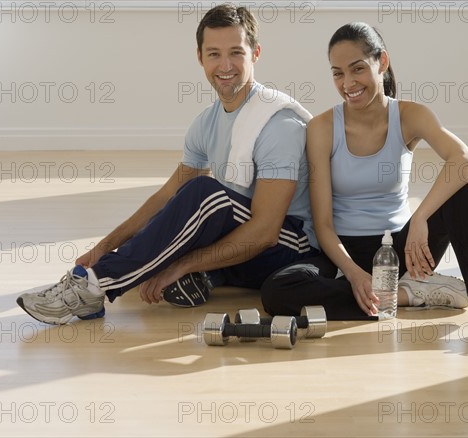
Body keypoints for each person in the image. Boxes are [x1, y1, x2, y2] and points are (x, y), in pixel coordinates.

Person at [17, 4, 319, 325]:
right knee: (180, 207)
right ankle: (191, 276)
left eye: (236, 53)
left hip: (291, 248)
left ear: (255, 54)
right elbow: (166, 197)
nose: (225, 65)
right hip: (245, 248)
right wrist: (106, 246)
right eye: (214, 53)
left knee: (205, 194)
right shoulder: (205, 123)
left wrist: (182, 264)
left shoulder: (279, 124)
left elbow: (266, 232)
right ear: (200, 57)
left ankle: (92, 287)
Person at [260, 22, 468, 336]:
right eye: (338, 73)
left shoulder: (410, 115)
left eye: (358, 69)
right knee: (277, 291)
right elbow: (324, 225)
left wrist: (420, 216)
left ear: (382, 62)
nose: (348, 82)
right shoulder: (322, 127)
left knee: (463, 188)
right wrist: (354, 274)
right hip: (342, 255)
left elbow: (464, 160)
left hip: (401, 251)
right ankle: (407, 295)